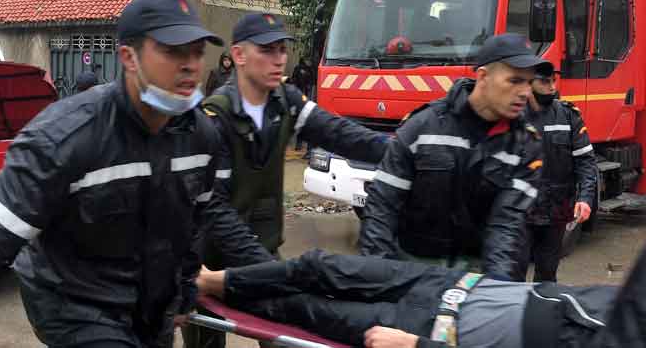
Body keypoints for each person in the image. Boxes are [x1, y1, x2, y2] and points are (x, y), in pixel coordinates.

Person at [0, 0, 272, 348]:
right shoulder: (64, 138)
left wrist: (184, 288)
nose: (191, 64)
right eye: (174, 51)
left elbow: (193, 226)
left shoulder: (201, 137)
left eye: (196, 51)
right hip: (74, 305)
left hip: (151, 306)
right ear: (129, 57)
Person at [183, 13, 390, 348]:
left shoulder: (285, 100)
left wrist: (397, 150)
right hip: (211, 259)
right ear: (238, 55)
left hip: (262, 246)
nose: (279, 59)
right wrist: (268, 269)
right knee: (207, 338)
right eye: (267, 50)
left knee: (286, 337)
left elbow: (338, 133)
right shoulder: (214, 117)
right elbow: (214, 209)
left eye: (282, 49)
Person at [359, 33, 547, 281]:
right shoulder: (423, 127)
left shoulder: (525, 146)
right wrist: (377, 279)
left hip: (474, 274)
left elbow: (506, 228)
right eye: (514, 81)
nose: (525, 92)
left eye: (529, 82)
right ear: (483, 76)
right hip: (410, 268)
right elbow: (382, 207)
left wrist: (495, 293)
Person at [196, 247, 646, 348]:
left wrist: (414, 347)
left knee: (302, 311)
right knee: (317, 266)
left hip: (427, 332)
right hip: (446, 283)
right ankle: (211, 281)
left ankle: (201, 301)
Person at [520, 67, 597, 282]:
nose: (552, 87)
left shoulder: (568, 115)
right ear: (530, 83)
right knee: (512, 276)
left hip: (555, 212)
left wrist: (585, 198)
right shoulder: (513, 115)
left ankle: (542, 312)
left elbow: (585, 161)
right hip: (520, 211)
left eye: (554, 81)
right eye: (545, 82)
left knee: (547, 274)